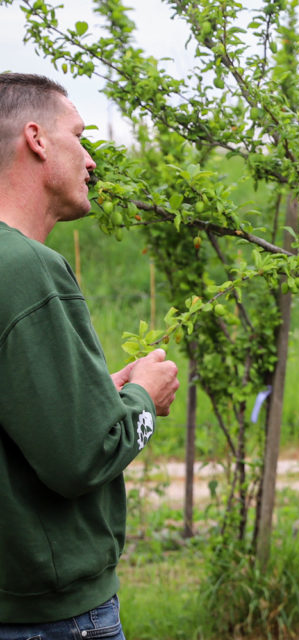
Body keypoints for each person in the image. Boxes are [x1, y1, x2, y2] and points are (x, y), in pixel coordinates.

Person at [0, 73, 179, 639]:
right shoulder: (26, 269)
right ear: (36, 139)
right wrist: (142, 396)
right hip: (49, 618)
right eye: (78, 136)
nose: (92, 161)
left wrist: (97, 390)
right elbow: (83, 456)